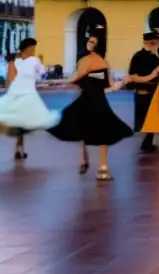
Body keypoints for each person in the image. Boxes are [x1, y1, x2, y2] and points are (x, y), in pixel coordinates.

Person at [49, 31, 133, 181]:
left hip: (95, 100)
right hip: (90, 99)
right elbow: (105, 84)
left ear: (97, 45)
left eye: (93, 41)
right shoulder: (97, 62)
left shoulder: (90, 61)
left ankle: (99, 165)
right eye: (89, 40)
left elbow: (82, 79)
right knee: (89, 129)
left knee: (99, 131)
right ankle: (91, 162)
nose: (89, 43)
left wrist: (122, 82)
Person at [0, 38, 60, 160]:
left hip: (17, 92)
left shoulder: (15, 61)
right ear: (28, 48)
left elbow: (9, 79)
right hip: (27, 94)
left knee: (20, 123)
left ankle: (19, 149)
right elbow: (43, 74)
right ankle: (20, 149)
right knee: (23, 123)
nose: (34, 51)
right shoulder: (34, 60)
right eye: (33, 48)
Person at [127, 32, 159, 153]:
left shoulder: (155, 57)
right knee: (148, 119)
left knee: (151, 119)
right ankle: (146, 143)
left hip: (152, 91)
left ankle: (147, 142)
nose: (158, 45)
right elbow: (133, 75)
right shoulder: (139, 56)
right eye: (157, 43)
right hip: (144, 92)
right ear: (151, 43)